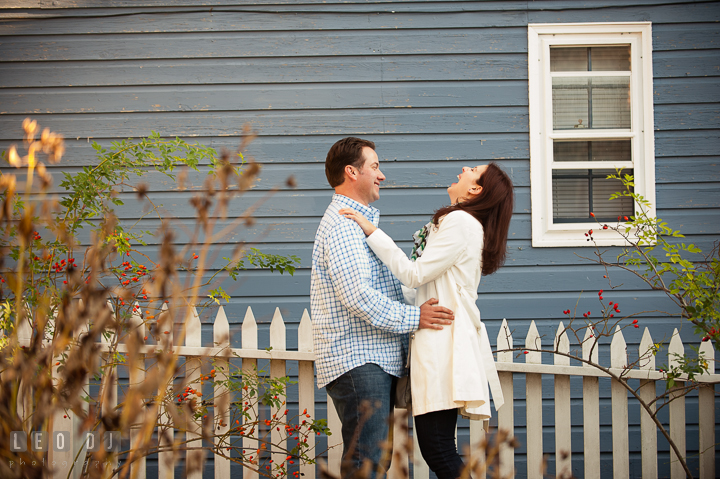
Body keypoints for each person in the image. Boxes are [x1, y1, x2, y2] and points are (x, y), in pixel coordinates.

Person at [340, 162, 514, 479]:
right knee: (439, 447)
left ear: (476, 189)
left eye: (473, 170)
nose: (464, 168)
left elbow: (414, 273)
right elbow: (418, 288)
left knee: (438, 449)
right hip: (441, 340)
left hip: (443, 344)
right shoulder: (463, 223)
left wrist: (371, 230)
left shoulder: (461, 221)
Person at [310, 137, 456, 478]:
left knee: (373, 462)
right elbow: (359, 296)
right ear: (352, 172)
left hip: (370, 360)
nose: (382, 175)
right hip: (360, 360)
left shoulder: (355, 223)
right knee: (368, 463)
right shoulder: (344, 226)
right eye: (374, 167)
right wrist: (416, 318)